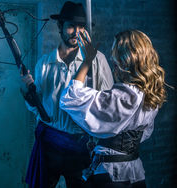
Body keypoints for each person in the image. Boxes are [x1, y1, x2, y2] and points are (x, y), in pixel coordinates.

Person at [21, 1, 114, 188]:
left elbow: (108, 103)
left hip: (81, 146)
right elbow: (36, 106)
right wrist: (28, 93)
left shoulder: (97, 60)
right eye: (71, 26)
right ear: (60, 26)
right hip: (50, 143)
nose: (77, 32)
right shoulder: (45, 63)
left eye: (81, 27)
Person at [60, 29, 166, 188]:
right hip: (135, 172)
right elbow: (142, 134)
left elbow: (71, 97)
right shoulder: (151, 96)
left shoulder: (123, 97)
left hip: (112, 175)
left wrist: (87, 61)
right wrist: (104, 141)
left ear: (126, 59)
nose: (111, 58)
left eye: (115, 52)